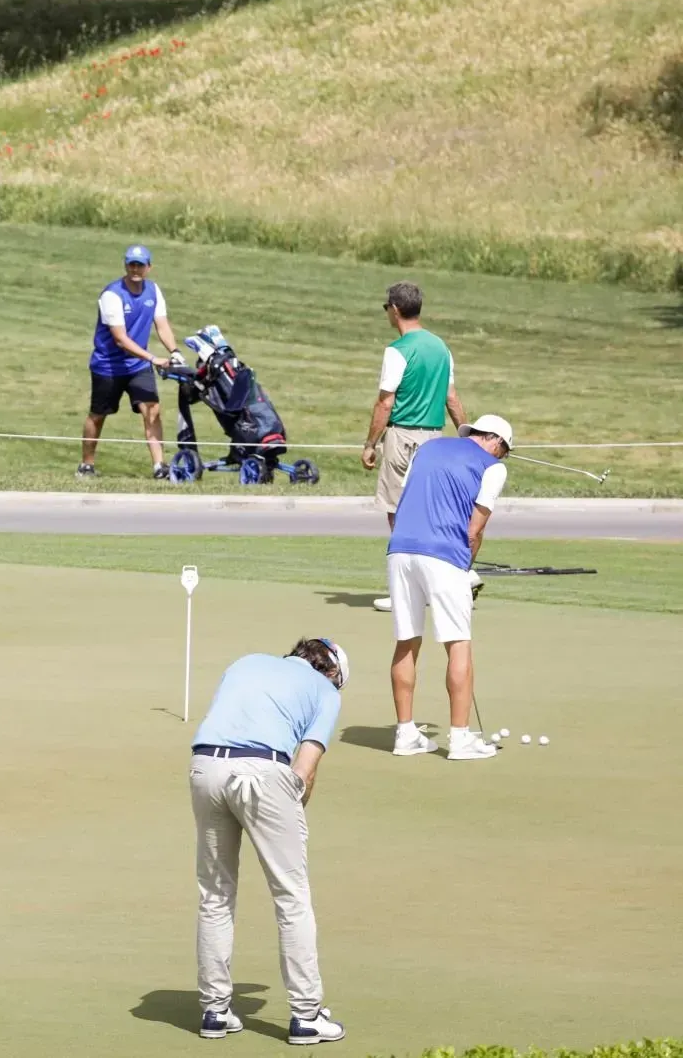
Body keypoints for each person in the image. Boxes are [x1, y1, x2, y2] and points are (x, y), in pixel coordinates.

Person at [190, 638, 349, 1046]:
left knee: (215, 894)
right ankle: (306, 1015)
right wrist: (290, 816)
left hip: (205, 766)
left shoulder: (245, 660)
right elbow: (305, 769)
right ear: (331, 672)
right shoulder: (326, 692)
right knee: (291, 896)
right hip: (263, 772)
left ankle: (214, 1010)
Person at [383, 415, 513, 761]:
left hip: (399, 550)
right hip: (444, 557)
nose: (502, 459)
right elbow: (475, 529)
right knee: (458, 644)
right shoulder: (494, 468)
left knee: (407, 640)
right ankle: (460, 739)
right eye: (504, 452)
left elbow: (404, 499)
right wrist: (466, 567)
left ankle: (405, 734)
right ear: (496, 442)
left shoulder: (427, 448)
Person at [361, 281, 466, 613]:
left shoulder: (398, 350)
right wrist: (467, 436)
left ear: (394, 309)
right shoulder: (441, 348)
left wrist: (370, 444)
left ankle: (405, 592)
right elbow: (451, 398)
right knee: (428, 513)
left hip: (403, 439)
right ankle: (438, 583)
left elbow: (385, 403)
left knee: (398, 514)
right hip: (434, 440)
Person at [79, 244, 182, 481]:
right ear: (125, 265)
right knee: (98, 414)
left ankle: (159, 467)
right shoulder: (112, 295)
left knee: (152, 409)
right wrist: (154, 358)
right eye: (131, 264)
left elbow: (162, 324)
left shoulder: (153, 291)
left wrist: (174, 351)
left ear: (149, 267)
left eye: (140, 264)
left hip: (138, 366)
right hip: (108, 366)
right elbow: (121, 339)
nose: (135, 269)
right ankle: (87, 464)